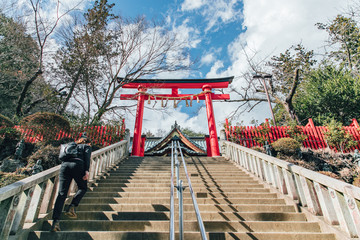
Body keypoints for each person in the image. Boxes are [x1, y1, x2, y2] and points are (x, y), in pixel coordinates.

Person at [50, 132, 92, 232]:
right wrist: (86, 171)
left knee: (62, 194)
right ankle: (72, 206)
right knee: (83, 188)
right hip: (78, 165)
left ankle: (55, 222)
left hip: (65, 166)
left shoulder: (72, 145)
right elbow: (87, 159)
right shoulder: (87, 146)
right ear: (88, 142)